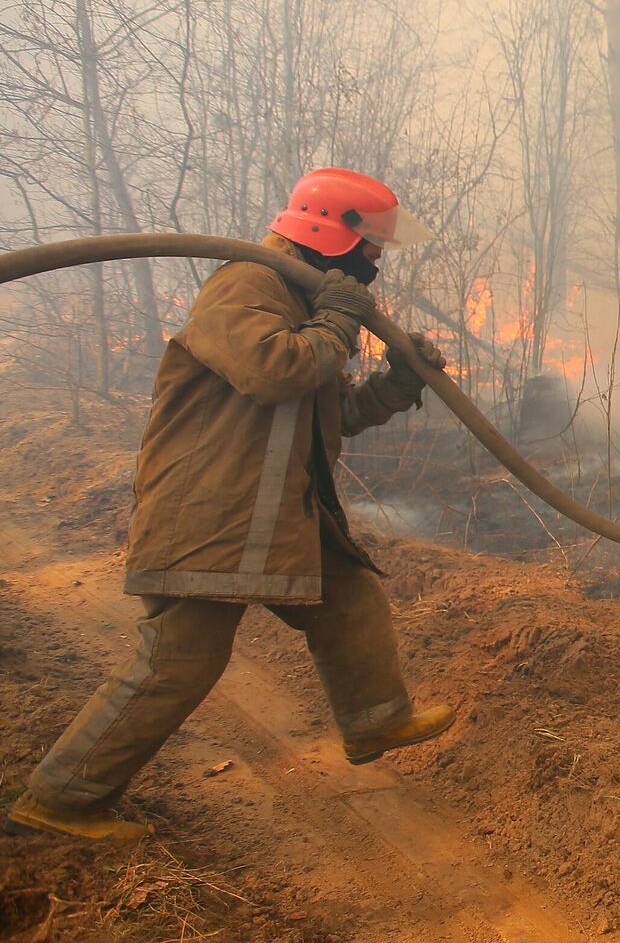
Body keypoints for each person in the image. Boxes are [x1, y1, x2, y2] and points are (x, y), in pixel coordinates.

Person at [6, 168, 454, 841]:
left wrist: (396, 383)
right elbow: (277, 372)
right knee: (180, 662)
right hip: (211, 516)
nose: (377, 261)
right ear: (332, 229)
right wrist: (337, 320)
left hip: (277, 515)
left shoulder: (304, 301)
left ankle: (375, 720)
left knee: (350, 596)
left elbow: (331, 413)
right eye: (372, 246)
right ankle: (61, 798)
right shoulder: (247, 285)